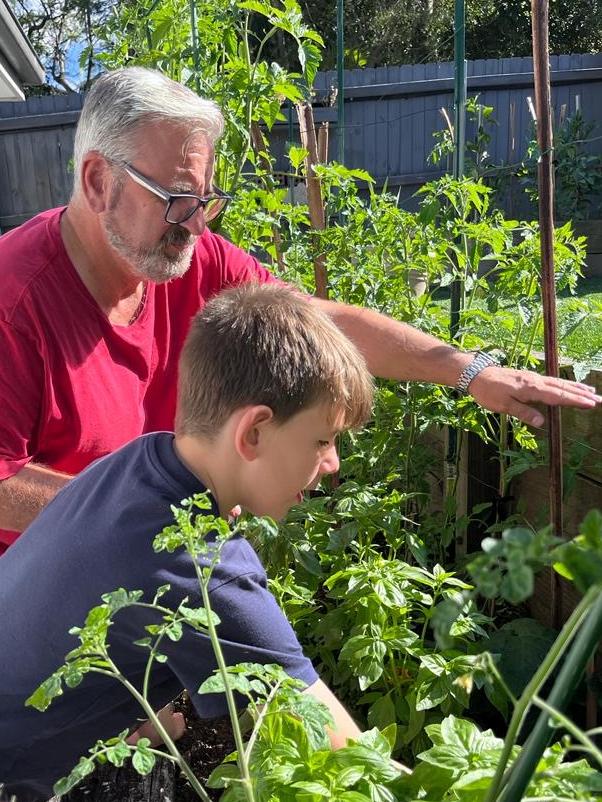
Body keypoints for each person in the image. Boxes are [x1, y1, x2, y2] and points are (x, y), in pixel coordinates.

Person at [0, 67, 599, 551]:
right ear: (100, 181)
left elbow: (314, 321)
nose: (197, 224)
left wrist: (469, 372)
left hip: (140, 570)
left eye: (206, 199)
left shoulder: (186, 255)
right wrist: (153, 512)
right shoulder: (15, 301)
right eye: (178, 199)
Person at [0, 282, 375, 801]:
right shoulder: (203, 570)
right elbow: (349, 760)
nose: (332, 464)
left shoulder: (142, 458)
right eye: (322, 440)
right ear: (254, 433)